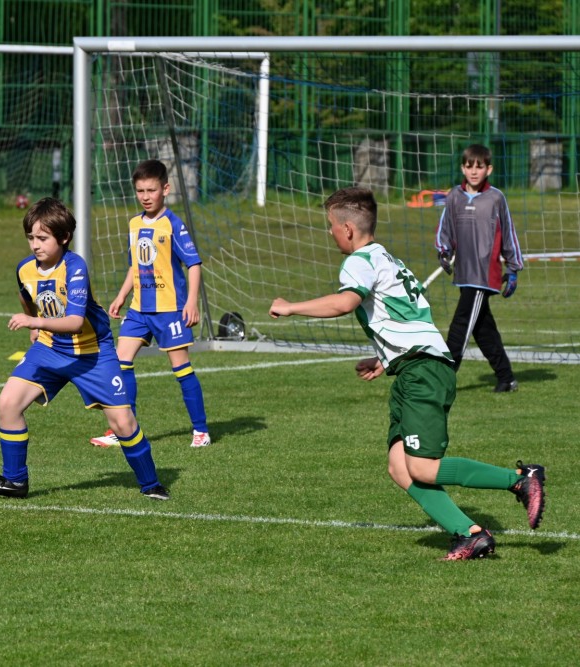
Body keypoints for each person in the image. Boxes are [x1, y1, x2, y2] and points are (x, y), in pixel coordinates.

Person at [269, 187, 545, 560]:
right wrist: (384, 359)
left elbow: (344, 303)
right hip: (415, 367)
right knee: (400, 467)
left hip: (421, 373)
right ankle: (470, 534)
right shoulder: (386, 257)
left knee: (423, 467)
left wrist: (290, 307)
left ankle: (520, 480)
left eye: (331, 225)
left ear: (347, 229)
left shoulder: (359, 262)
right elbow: (406, 318)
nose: (330, 232)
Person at [0, 197, 170, 501]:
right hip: (50, 349)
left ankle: (151, 484)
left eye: (43, 238)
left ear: (64, 237)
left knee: (122, 422)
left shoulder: (74, 267)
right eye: (31, 238)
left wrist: (33, 321)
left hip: (92, 354)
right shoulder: (24, 268)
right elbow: (26, 294)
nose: (35, 245)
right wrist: (35, 325)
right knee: (8, 403)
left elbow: (76, 322)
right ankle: (14, 481)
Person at [89, 159, 210, 449]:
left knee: (181, 369)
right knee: (120, 362)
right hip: (138, 310)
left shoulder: (173, 224)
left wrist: (191, 302)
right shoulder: (134, 224)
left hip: (170, 310)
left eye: (151, 190)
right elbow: (135, 265)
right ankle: (124, 429)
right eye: (140, 191)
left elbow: (194, 264)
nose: (145, 196)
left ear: (165, 189)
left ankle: (201, 430)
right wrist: (121, 296)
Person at [435, 144, 524, 392]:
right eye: (469, 166)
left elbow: (509, 234)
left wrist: (513, 268)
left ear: (489, 169)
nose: (474, 171)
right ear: (462, 168)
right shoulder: (454, 197)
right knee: (483, 328)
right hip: (464, 272)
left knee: (461, 325)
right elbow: (445, 229)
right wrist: (443, 251)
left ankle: (443, 380)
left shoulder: (496, 198)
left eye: (479, 167)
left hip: (484, 274)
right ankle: (506, 378)